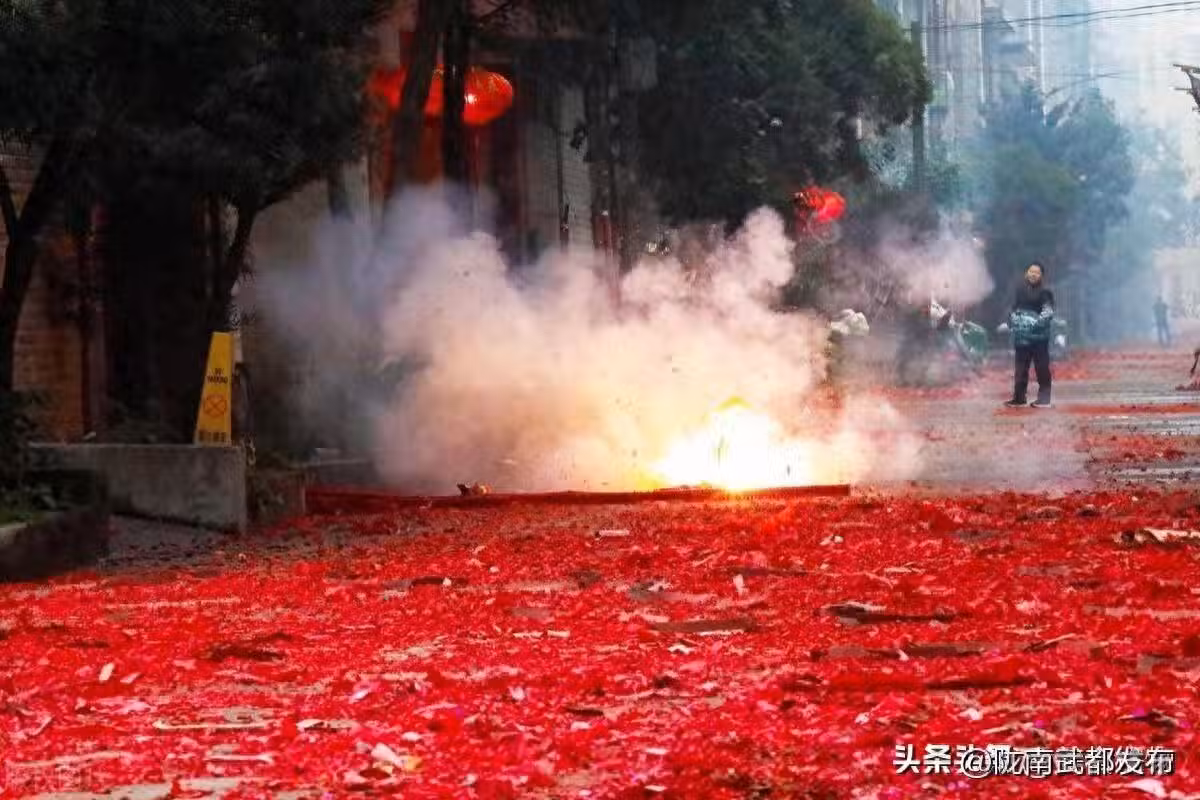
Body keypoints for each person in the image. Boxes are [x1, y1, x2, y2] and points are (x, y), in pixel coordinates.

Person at [1005, 263, 1055, 409]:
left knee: (1042, 368)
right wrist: (1012, 321)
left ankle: (1044, 399)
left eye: (1037, 272)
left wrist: (1035, 325)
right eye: (1031, 271)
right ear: (1026, 273)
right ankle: (1019, 398)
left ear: (1041, 276)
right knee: (1020, 369)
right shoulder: (1020, 291)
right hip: (1022, 338)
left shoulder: (1045, 293)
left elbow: (1047, 313)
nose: (1033, 274)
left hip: (1039, 338)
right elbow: (1013, 310)